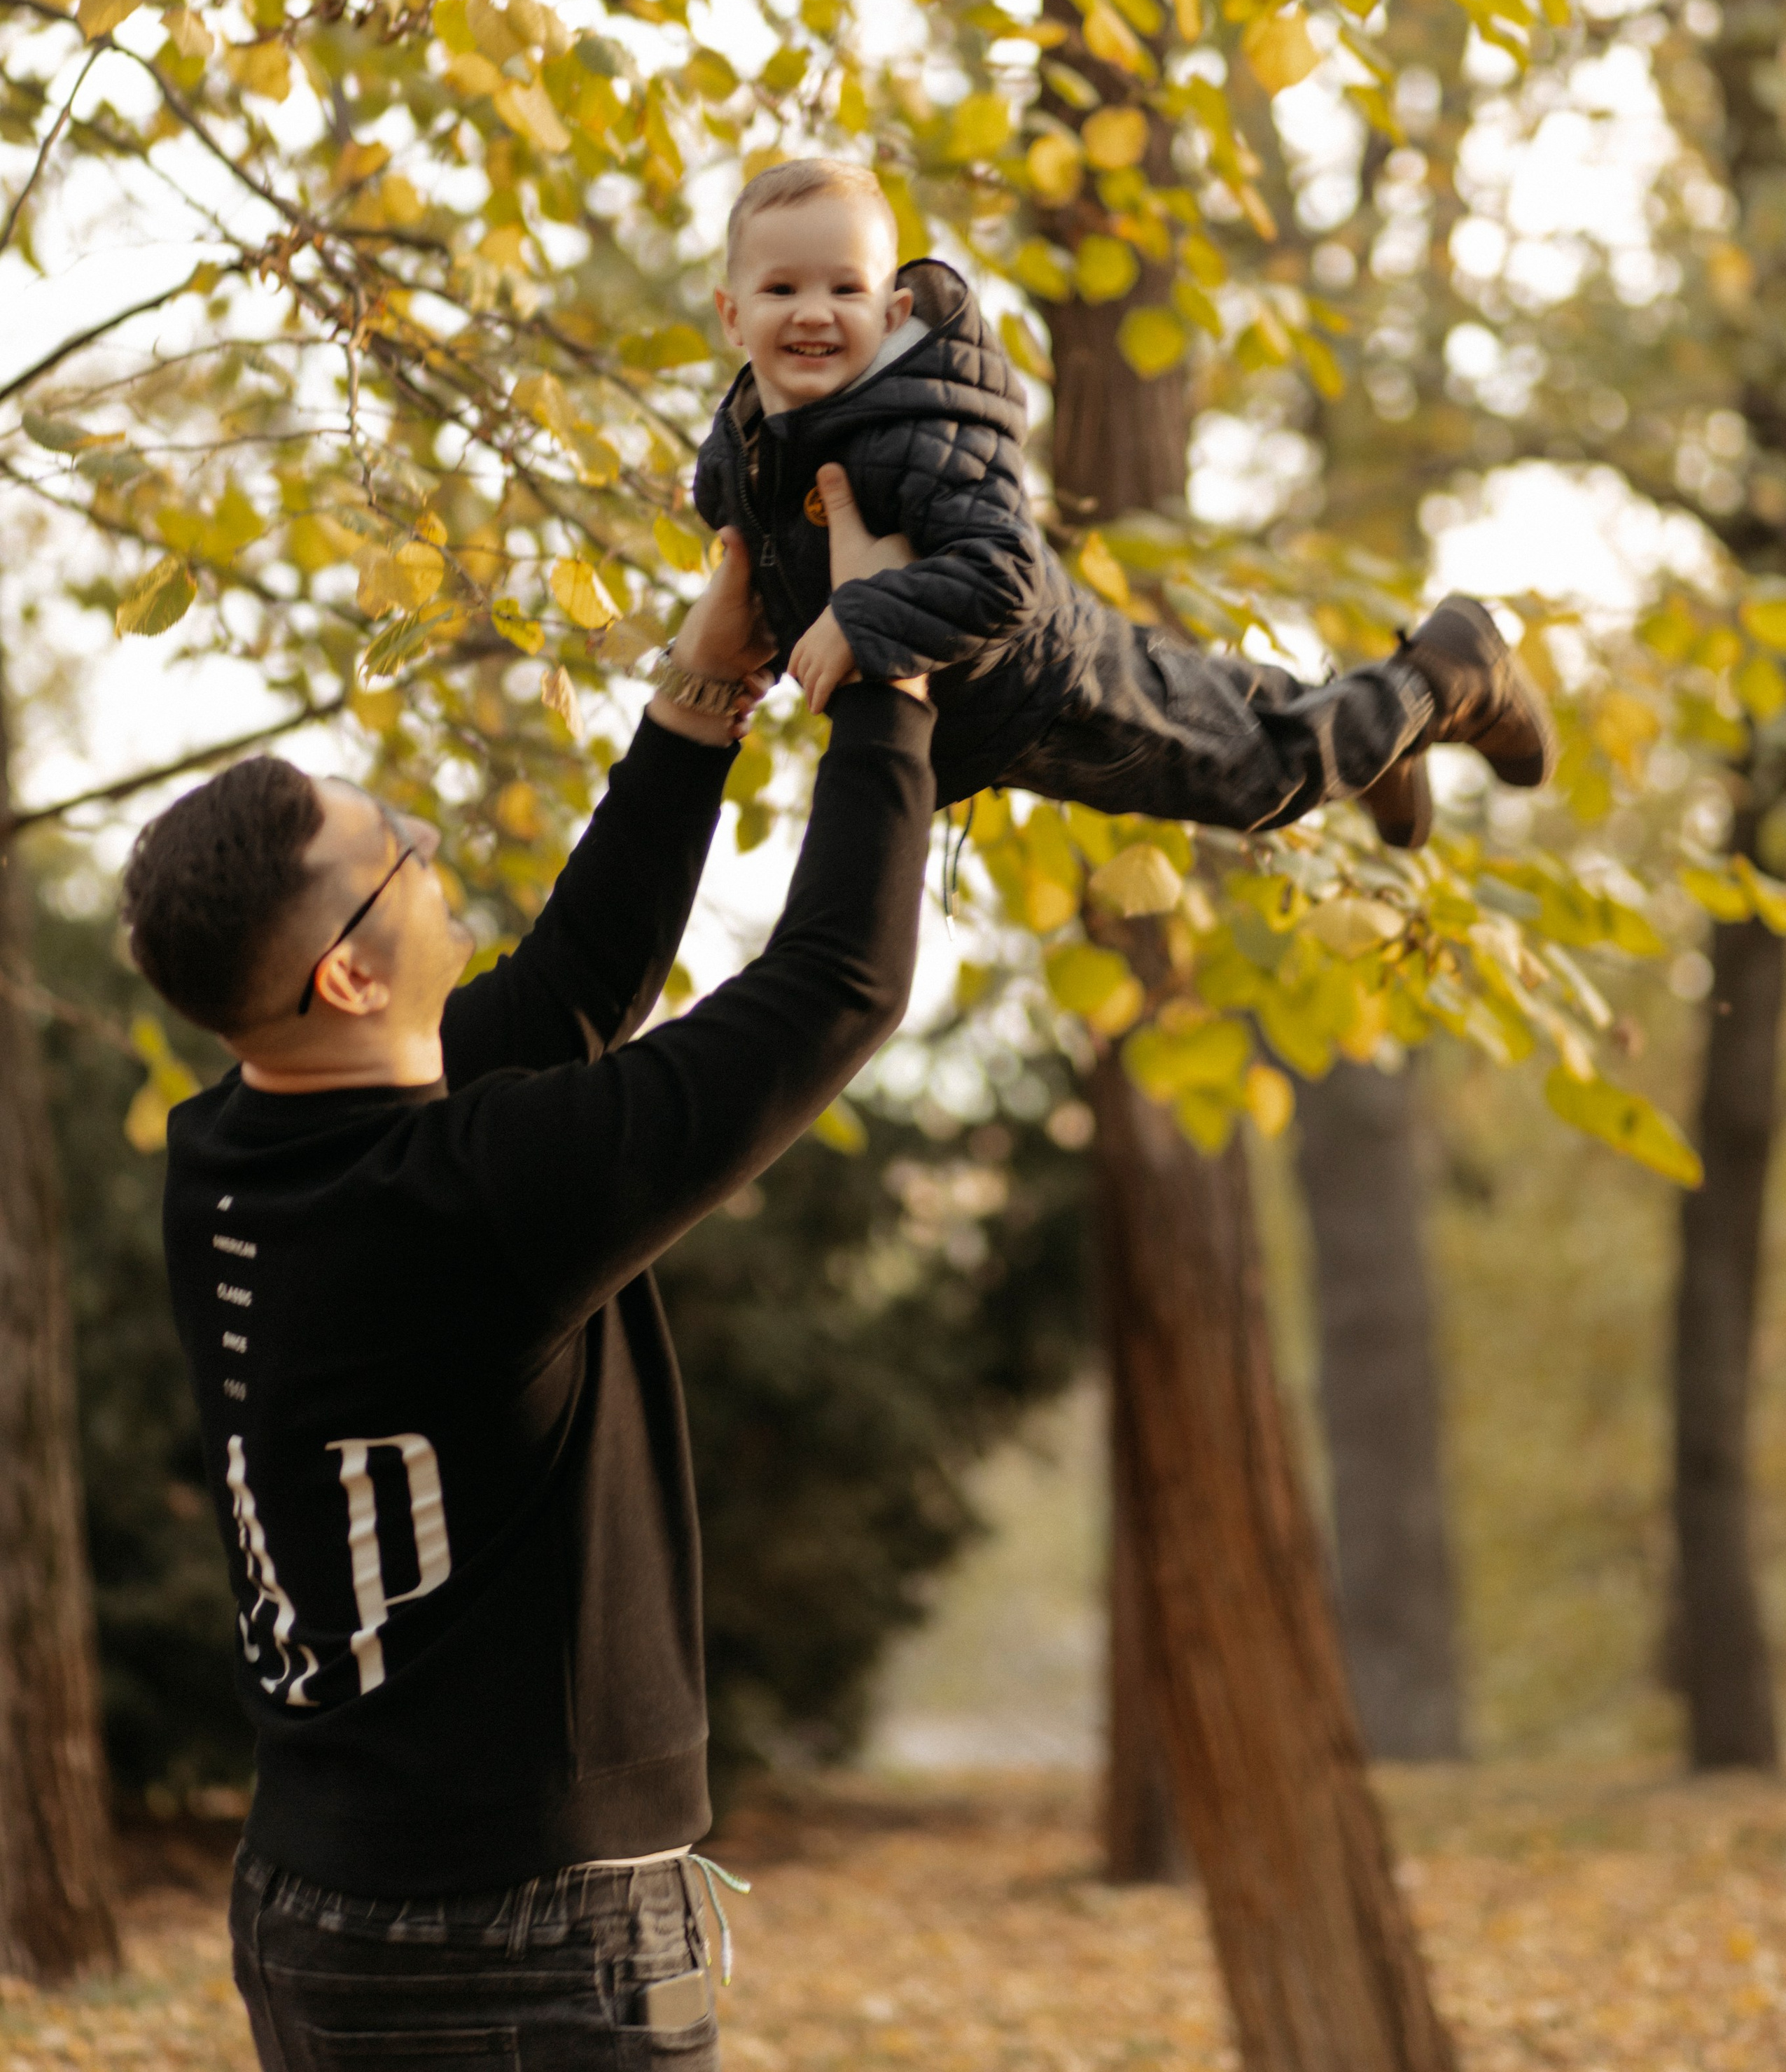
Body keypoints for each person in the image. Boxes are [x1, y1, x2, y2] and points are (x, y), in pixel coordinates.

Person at [124, 482, 932, 2070]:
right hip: (522, 1943)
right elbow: (836, 983)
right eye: (394, 857)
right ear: (348, 972)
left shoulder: (226, 1146)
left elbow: (568, 986)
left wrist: (707, 688)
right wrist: (893, 675)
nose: (427, 852)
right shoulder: (471, 1204)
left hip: (314, 1899)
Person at [693, 156, 1557, 850]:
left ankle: (1441, 674)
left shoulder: (924, 425)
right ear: (734, 316)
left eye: (844, 290)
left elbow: (1002, 576)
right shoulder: (743, 454)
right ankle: (1372, 738)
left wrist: (861, 618)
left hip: (1054, 683)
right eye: (781, 291)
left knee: (1255, 780)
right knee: (1228, 708)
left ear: (892, 312)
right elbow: (773, 568)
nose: (813, 313)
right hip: (995, 716)